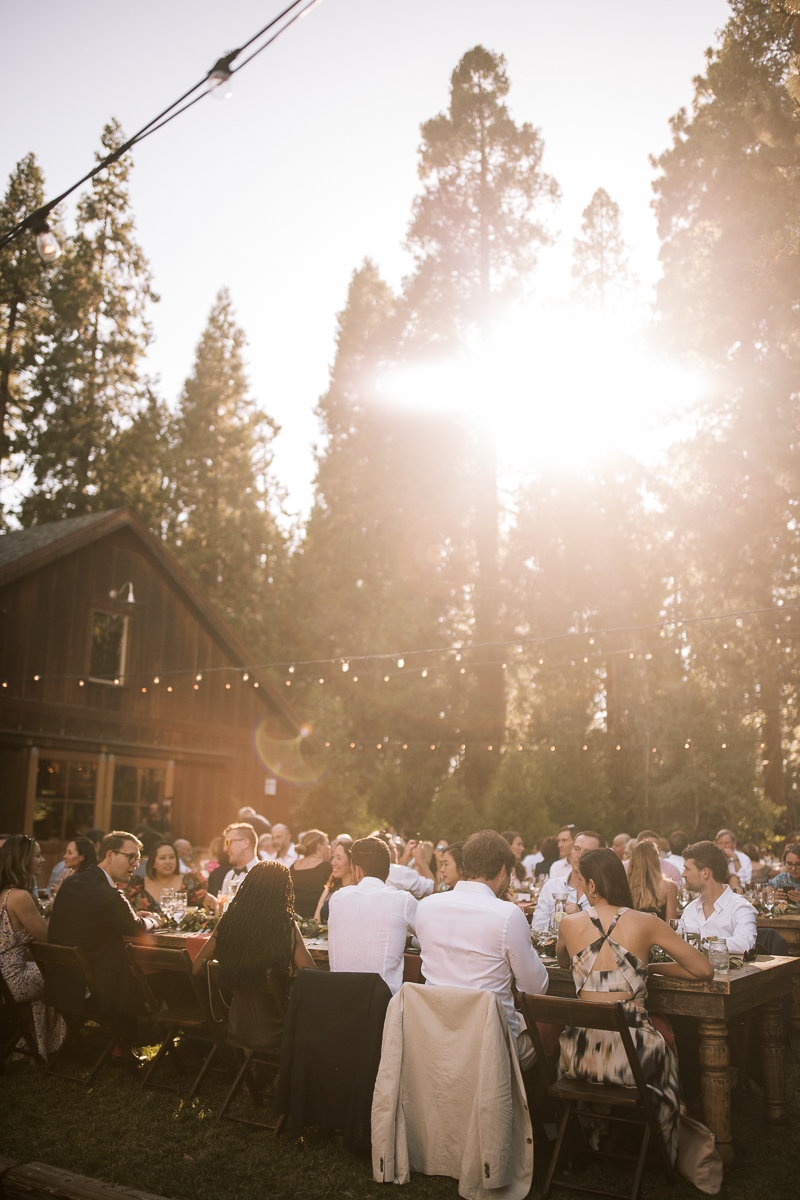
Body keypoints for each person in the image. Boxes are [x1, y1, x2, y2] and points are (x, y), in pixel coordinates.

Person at [557, 847, 712, 1162]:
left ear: (591, 886)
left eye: (578, 880)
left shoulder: (568, 924)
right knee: (666, 1039)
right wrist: (649, 967)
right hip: (634, 1057)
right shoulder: (646, 922)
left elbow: (562, 961)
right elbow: (703, 969)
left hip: (580, 1055)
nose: (575, 886)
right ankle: (656, 1142)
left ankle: (607, 1136)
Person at [415, 828, 549, 1069]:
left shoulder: (425, 907)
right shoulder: (508, 915)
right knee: (551, 1037)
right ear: (502, 871)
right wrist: (516, 916)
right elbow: (535, 989)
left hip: (436, 1039)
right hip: (490, 1047)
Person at [45, 832, 160, 1036]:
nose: (135, 864)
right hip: (89, 989)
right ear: (109, 855)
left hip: (60, 984)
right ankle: (124, 1045)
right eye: (130, 857)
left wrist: (131, 916)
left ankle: (119, 1044)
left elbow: (94, 920)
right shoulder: (108, 894)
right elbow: (135, 928)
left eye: (138, 859)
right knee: (154, 983)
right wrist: (154, 920)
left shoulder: (72, 883)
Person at [193, 861, 316, 1051]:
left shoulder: (227, 922)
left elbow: (197, 968)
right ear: (283, 891)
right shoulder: (284, 924)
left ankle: (256, 1067)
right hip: (275, 1029)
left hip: (235, 1025)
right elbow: (311, 974)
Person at [0, 835, 66, 1060]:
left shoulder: (4, 894)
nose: (43, 859)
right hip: (12, 982)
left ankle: (37, 1047)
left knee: (45, 972)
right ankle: (63, 1045)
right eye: (37, 855)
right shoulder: (18, 897)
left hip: (5, 978)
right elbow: (49, 938)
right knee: (64, 974)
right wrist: (60, 900)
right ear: (22, 860)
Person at [327, 836, 417, 995]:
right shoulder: (402, 900)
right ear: (387, 873)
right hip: (383, 1008)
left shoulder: (337, 898)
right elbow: (430, 940)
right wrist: (411, 940)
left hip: (339, 1002)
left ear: (357, 870)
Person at [678, 841, 757, 953]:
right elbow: (676, 942)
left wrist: (703, 944)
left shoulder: (739, 907)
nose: (683, 874)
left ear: (705, 873)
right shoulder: (690, 909)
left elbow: (746, 943)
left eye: (687, 869)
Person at [532, 831, 605, 931]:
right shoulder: (551, 887)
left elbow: (607, 935)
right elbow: (538, 929)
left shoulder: (605, 891)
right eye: (576, 849)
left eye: (587, 852)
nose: (580, 855)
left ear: (600, 858)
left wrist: (581, 918)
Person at [125, 839, 215, 915]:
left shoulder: (190, 883)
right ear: (153, 863)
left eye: (172, 857)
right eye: (162, 858)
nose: (168, 862)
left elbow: (208, 908)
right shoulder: (136, 885)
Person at [627, 840, 678, 921]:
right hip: (660, 932)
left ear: (633, 861)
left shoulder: (625, 886)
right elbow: (671, 924)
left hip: (633, 932)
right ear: (656, 860)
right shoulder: (669, 887)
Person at [290, 830, 332, 918]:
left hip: (294, 919)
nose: (329, 847)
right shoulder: (325, 867)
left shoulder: (293, 866)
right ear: (320, 846)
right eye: (327, 844)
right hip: (315, 919)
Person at [314, 839, 354, 922]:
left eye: (339, 858)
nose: (333, 862)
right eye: (333, 857)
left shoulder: (360, 889)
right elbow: (316, 921)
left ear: (351, 862)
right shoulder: (329, 889)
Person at [218, 823, 260, 896]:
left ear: (245, 843)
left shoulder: (264, 874)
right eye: (224, 845)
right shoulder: (229, 875)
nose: (225, 849)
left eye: (228, 843)